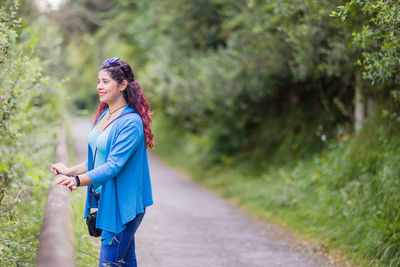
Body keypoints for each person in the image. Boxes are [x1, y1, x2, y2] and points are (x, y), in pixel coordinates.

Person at [50, 57, 154, 267]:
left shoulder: (131, 123)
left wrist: (77, 181)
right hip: (107, 200)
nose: (99, 86)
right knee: (124, 263)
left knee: (108, 263)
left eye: (105, 82)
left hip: (123, 205)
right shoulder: (105, 114)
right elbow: (98, 159)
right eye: (98, 81)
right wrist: (70, 171)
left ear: (122, 85)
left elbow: (113, 165)